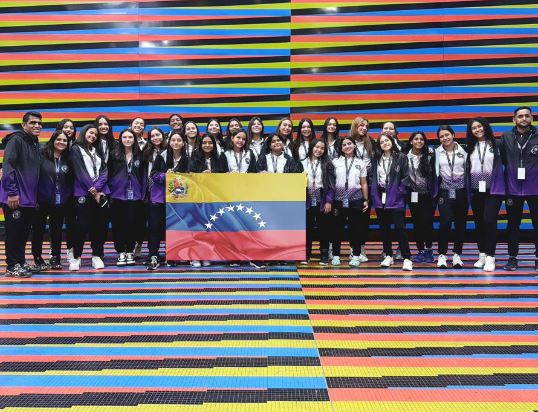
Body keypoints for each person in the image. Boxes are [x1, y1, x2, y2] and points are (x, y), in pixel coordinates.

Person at [0, 111, 43, 277]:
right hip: (14, 198)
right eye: (33, 123)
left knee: (23, 233)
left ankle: (21, 262)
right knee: (13, 233)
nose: (37, 126)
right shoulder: (16, 140)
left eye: (39, 123)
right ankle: (12, 265)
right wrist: (12, 193)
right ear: (23, 125)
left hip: (28, 199)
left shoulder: (33, 142)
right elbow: (8, 165)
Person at [501, 106, 538, 271]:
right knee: (513, 224)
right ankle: (512, 257)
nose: (524, 118)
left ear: (532, 118)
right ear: (514, 119)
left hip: (535, 188)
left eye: (527, 116)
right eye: (520, 116)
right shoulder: (506, 137)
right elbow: (501, 161)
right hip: (513, 189)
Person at [466, 117, 505, 272]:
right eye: (474, 128)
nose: (477, 130)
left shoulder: (497, 144)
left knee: (489, 221)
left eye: (480, 126)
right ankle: (482, 254)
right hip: (476, 190)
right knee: (479, 222)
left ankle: (491, 257)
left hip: (493, 190)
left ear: (485, 127)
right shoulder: (469, 147)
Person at [69, 124, 109, 271]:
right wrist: (93, 191)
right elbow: (79, 171)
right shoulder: (75, 149)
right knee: (82, 226)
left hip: (100, 192)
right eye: (90, 133)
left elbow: (104, 170)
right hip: (83, 193)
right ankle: (76, 257)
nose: (93, 136)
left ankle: (96, 255)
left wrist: (98, 188)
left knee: (99, 226)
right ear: (84, 133)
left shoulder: (96, 150)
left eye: (95, 135)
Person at [31, 131, 72, 270]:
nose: (61, 142)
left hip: (60, 202)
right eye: (58, 139)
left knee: (56, 230)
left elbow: (71, 181)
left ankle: (56, 257)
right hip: (41, 200)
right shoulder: (42, 156)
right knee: (38, 230)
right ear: (52, 140)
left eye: (65, 140)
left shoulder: (68, 159)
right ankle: (37, 256)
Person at [372, 133, 413, 270]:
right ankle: (388, 255)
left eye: (387, 140)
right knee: (384, 228)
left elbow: (406, 177)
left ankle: (407, 257)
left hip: (396, 197)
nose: (385, 143)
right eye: (382, 142)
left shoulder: (401, 157)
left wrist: (400, 191)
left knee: (399, 227)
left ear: (392, 141)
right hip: (380, 197)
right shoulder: (376, 159)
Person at [149, 132, 189, 270]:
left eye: (179, 140)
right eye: (173, 140)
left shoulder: (188, 158)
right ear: (169, 142)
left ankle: (172, 254)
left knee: (174, 227)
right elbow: (153, 174)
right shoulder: (162, 156)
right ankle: (153, 254)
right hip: (159, 198)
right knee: (155, 226)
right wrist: (166, 176)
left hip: (179, 200)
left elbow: (191, 177)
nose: (176, 142)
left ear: (183, 143)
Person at [108, 129, 146, 266]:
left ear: (134, 139)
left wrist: (142, 194)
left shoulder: (140, 155)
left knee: (132, 224)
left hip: (135, 196)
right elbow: (108, 174)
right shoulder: (114, 155)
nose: (128, 139)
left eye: (130, 137)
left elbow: (143, 176)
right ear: (120, 139)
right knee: (118, 226)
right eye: (125, 137)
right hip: (117, 195)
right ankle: (121, 253)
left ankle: (130, 251)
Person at [330, 136, 369, 267]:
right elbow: (331, 183)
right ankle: (336, 255)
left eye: (350, 143)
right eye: (344, 145)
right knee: (336, 229)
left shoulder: (361, 163)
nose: (347, 146)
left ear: (354, 145)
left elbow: (364, 183)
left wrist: (366, 200)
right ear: (341, 148)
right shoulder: (335, 162)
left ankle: (356, 255)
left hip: (356, 199)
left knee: (356, 229)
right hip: (338, 200)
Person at [435, 125, 468, 269]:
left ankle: (457, 254)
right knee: (445, 223)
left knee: (460, 224)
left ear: (453, 135)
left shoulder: (464, 150)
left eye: (447, 135)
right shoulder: (436, 152)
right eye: (441, 136)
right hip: (444, 192)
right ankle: (442, 254)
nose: (445, 138)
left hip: (461, 191)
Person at [188, 134, 221, 267]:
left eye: (210, 143)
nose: (207, 145)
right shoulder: (194, 158)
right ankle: (195, 256)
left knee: (210, 228)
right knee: (197, 228)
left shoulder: (219, 158)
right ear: (200, 144)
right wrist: (201, 176)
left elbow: (224, 177)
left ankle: (206, 255)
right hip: (197, 198)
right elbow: (189, 177)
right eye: (204, 143)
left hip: (213, 199)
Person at [302, 139, 335, 265]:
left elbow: (332, 185)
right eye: (316, 147)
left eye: (322, 148)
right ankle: (306, 253)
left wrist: (329, 201)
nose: (319, 150)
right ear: (311, 147)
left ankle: (324, 254)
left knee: (324, 228)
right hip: (306, 199)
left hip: (322, 198)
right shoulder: (302, 163)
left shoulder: (328, 164)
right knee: (307, 228)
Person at [406, 131, 436, 263]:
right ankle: (420, 250)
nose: (419, 141)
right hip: (413, 194)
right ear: (411, 141)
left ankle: (429, 250)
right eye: (416, 139)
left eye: (422, 139)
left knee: (428, 221)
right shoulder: (404, 157)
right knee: (417, 222)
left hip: (428, 194)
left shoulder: (429, 155)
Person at [349, 116, 374, 262]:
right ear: (355, 126)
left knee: (364, 218)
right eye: (362, 125)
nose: (364, 128)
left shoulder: (370, 143)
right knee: (352, 219)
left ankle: (362, 248)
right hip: (351, 184)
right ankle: (353, 249)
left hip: (367, 183)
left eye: (366, 126)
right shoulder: (347, 142)